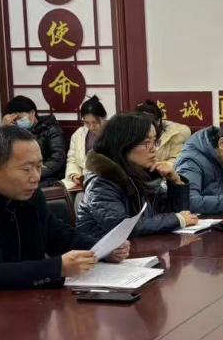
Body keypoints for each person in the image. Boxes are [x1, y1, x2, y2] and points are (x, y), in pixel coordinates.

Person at [0, 126, 123, 313]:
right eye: (26, 169)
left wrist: (104, 248)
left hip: (22, 302)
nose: (36, 177)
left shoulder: (28, 195)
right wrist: (57, 267)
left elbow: (57, 234)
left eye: (39, 166)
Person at [77, 112, 198, 242]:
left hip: (141, 248)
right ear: (123, 144)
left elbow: (180, 215)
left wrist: (176, 183)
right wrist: (177, 219)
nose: (154, 149)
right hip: (100, 252)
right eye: (146, 142)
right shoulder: (101, 182)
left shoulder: (143, 174)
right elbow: (122, 227)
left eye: (155, 141)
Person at [1, 96, 67, 186]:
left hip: (47, 177)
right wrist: (5, 130)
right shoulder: (14, 131)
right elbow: (2, 156)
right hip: (21, 177)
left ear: (32, 113)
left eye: (19, 117)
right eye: (14, 120)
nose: (17, 122)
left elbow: (57, 159)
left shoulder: (51, 129)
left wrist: (32, 173)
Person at [62, 95, 107, 190]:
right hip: (84, 182)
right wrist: (74, 175)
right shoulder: (78, 134)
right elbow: (72, 160)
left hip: (106, 183)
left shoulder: (115, 133)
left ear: (104, 117)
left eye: (95, 122)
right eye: (87, 123)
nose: (91, 127)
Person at [134, 99, 191, 165]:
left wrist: (165, 165)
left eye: (149, 123)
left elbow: (178, 158)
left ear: (158, 121)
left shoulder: (177, 134)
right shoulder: (132, 132)